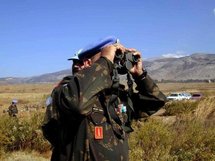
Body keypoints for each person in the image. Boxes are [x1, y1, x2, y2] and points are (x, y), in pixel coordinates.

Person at [42, 36, 167, 161]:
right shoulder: (67, 90)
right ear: (88, 63)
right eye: (112, 56)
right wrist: (105, 60)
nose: (114, 62)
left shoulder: (115, 96)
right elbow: (78, 104)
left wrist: (140, 76)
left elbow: (155, 101)